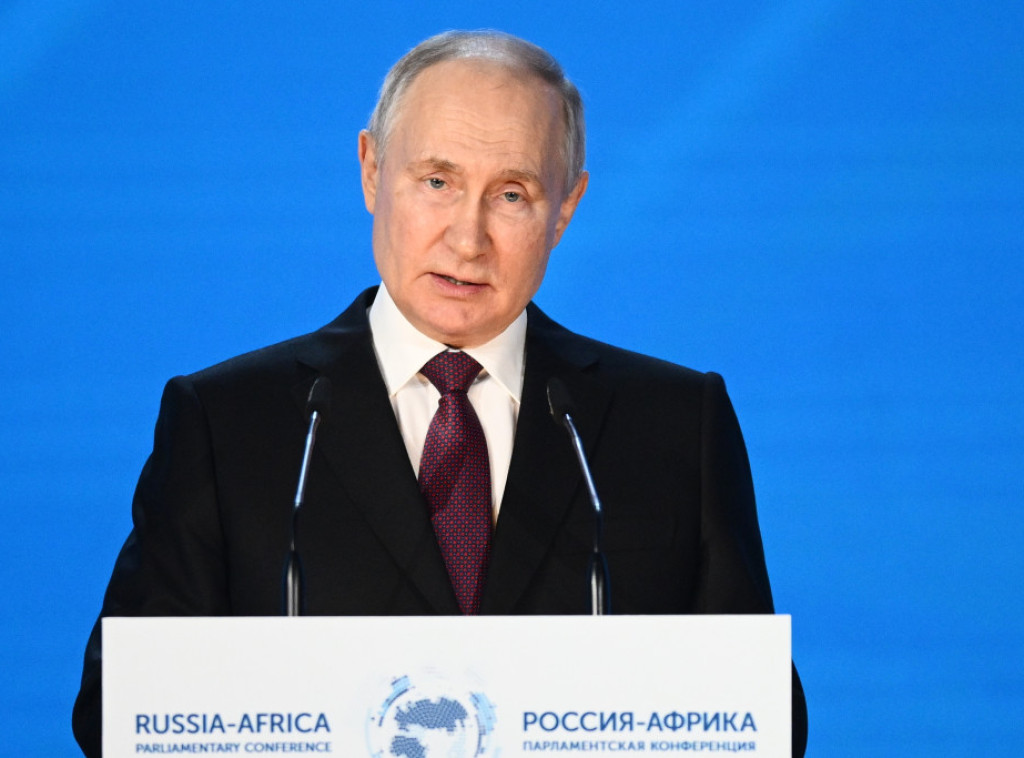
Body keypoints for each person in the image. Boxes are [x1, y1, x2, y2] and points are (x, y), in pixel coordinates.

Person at [73, 30, 808, 756]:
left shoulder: (674, 424)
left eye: (512, 195)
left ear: (565, 208)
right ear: (371, 171)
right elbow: (120, 712)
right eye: (437, 182)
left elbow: (761, 719)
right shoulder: (228, 423)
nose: (468, 238)